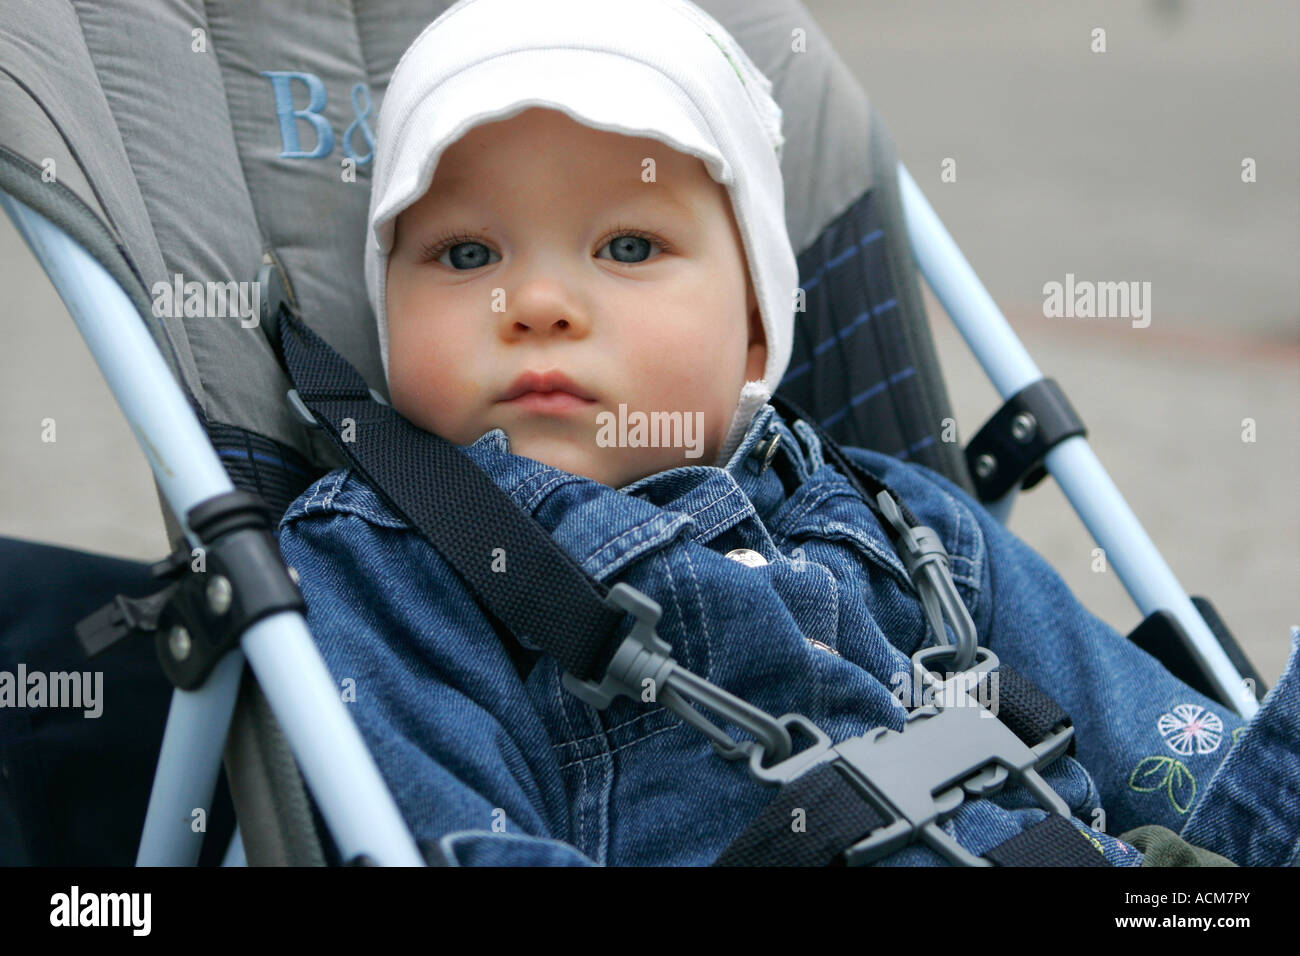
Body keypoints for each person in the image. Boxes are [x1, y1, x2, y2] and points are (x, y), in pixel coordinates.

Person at [276, 0, 1297, 866]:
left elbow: (1189, 777)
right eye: (464, 253)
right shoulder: (390, 555)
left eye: (627, 244)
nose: (534, 299)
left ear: (760, 320)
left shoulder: (904, 520)